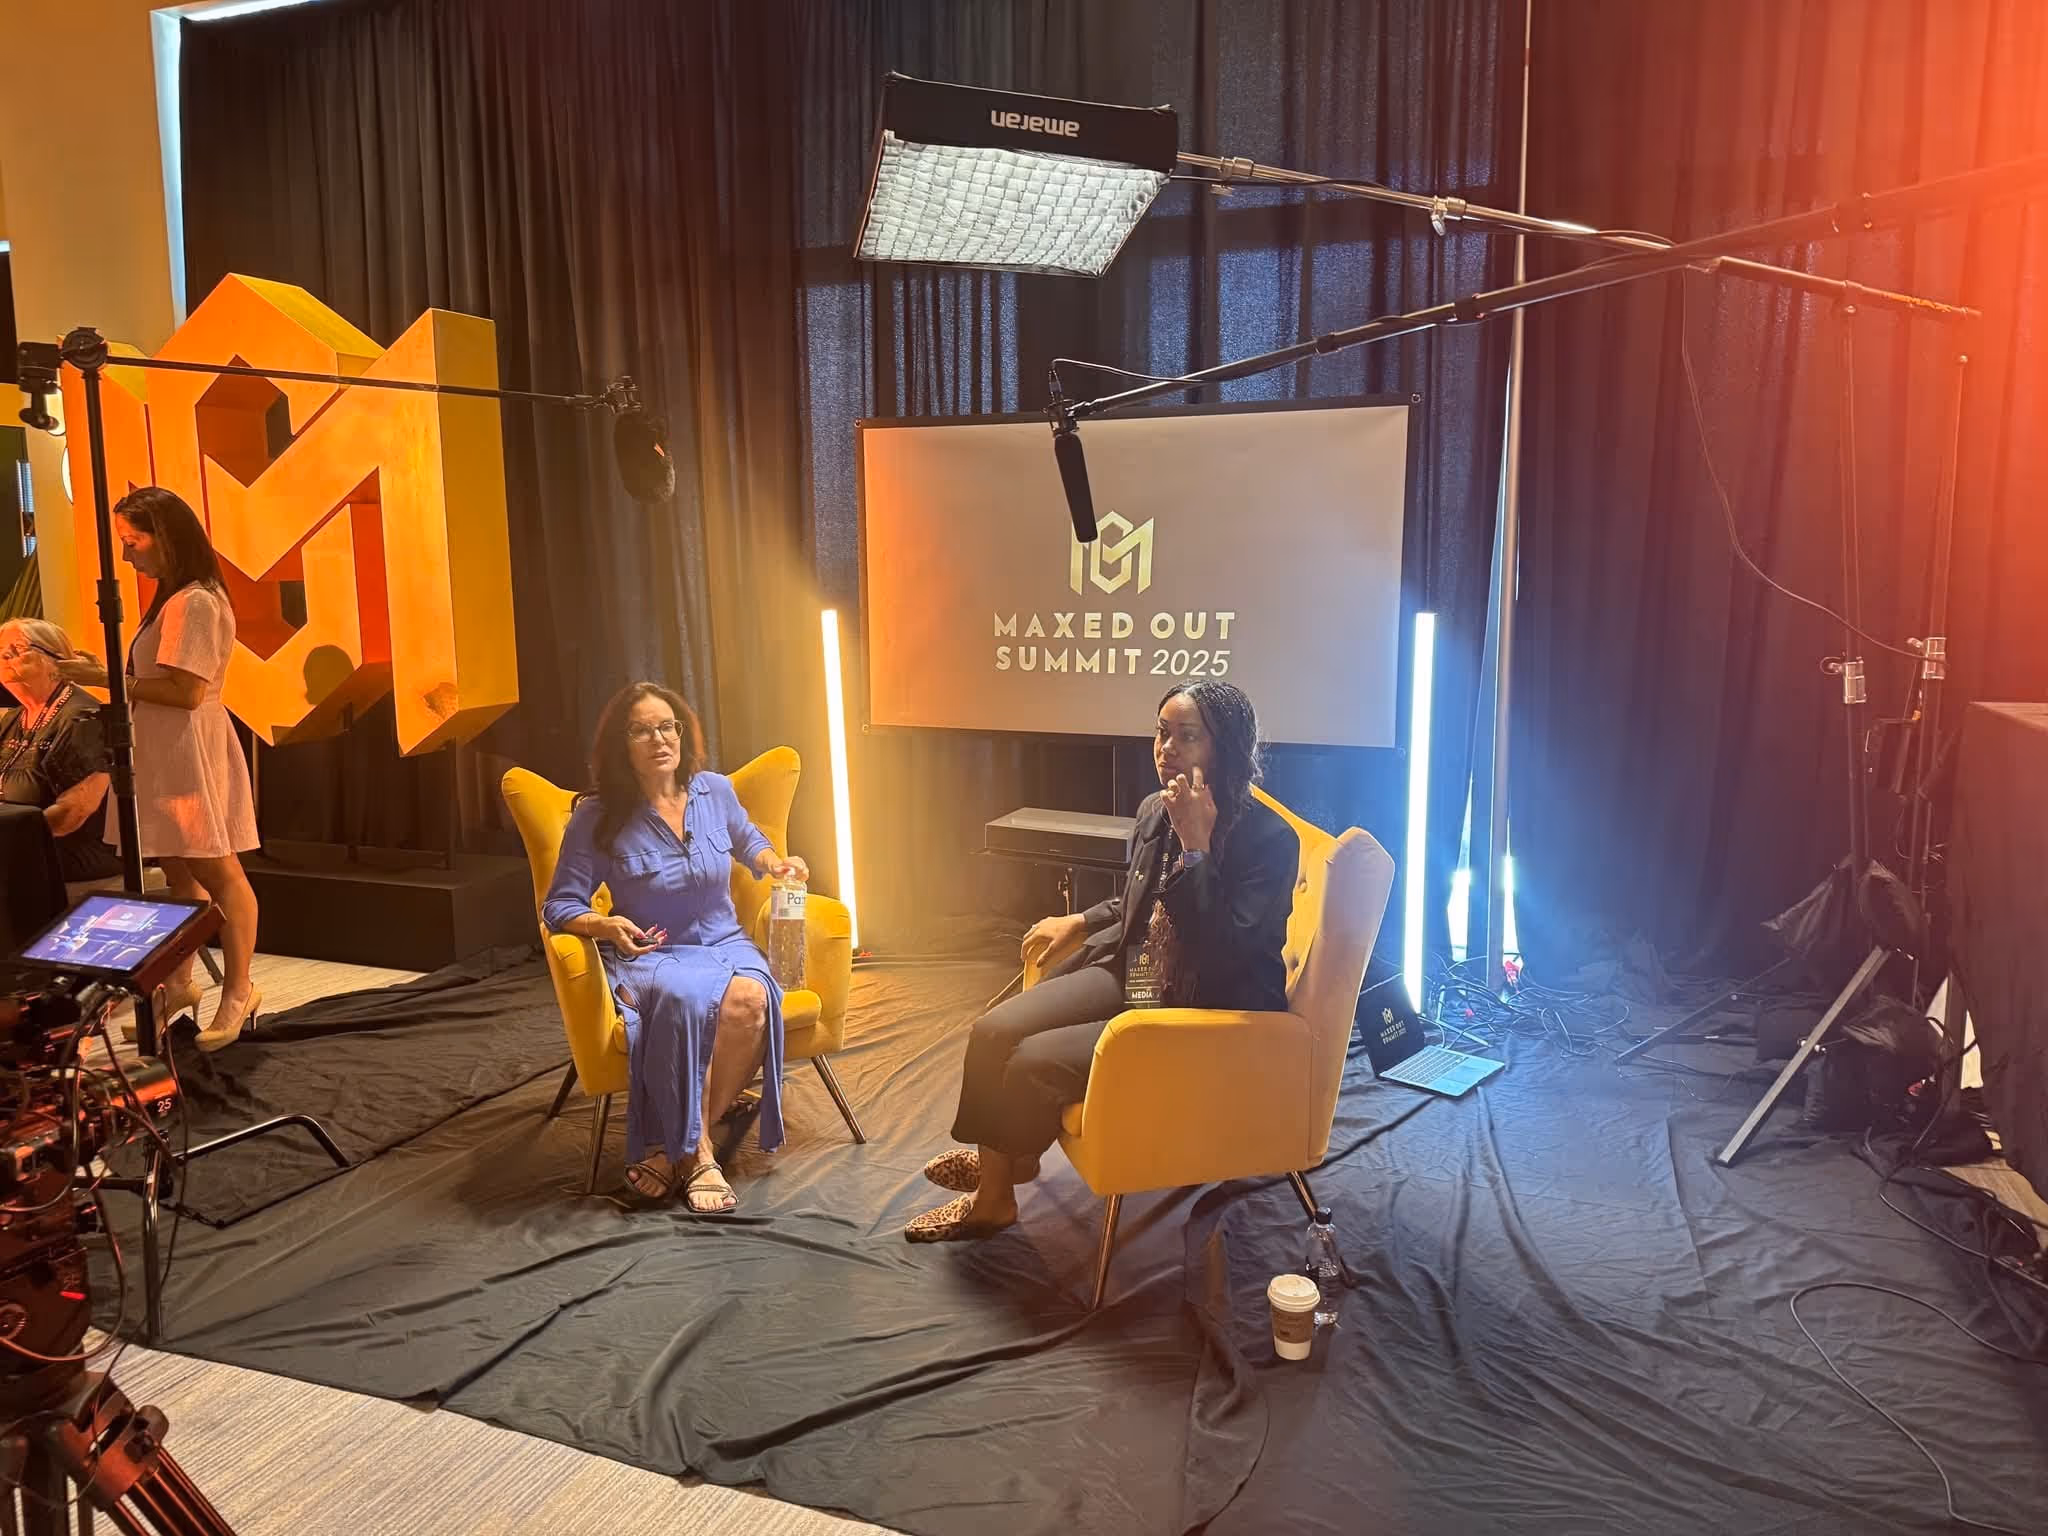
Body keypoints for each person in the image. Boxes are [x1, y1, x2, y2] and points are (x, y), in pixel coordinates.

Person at [907, 679, 1299, 1242]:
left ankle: (994, 1196)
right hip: (1140, 971)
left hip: (1202, 1005)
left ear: (1226, 747)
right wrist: (1081, 920)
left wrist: (1198, 846)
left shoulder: (1269, 840)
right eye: (1162, 733)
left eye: (1187, 737)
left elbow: (1224, 950)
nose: (1167, 748)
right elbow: (1141, 898)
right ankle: (1010, 1156)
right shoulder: (1154, 809)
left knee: (1029, 1062)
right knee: (993, 1029)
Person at [541, 682, 810, 1213]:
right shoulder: (597, 816)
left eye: (667, 726)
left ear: (682, 732)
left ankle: (676, 1150)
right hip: (653, 952)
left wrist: (773, 863)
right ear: (621, 746)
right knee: (687, 1000)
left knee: (752, 1001)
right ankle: (704, 1156)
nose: (658, 739)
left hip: (724, 940)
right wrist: (604, 924)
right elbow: (560, 905)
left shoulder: (714, 790)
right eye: (640, 730)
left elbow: (747, 838)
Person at [104, 486, 263, 1050]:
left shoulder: (195, 600)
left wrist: (105, 680)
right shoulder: (175, 599)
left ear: (166, 535)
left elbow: (186, 690)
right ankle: (179, 982)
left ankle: (239, 989)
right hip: (167, 751)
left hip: (187, 749)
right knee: (181, 875)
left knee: (219, 873)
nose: (127, 555)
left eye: (133, 540)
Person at [0, 617, 121, 900]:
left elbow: (72, 814)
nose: (5, 656)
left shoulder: (83, 717)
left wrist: (13, 839)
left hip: (68, 853)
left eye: (17, 648)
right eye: (1, 649)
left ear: (57, 660)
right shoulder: (16, 716)